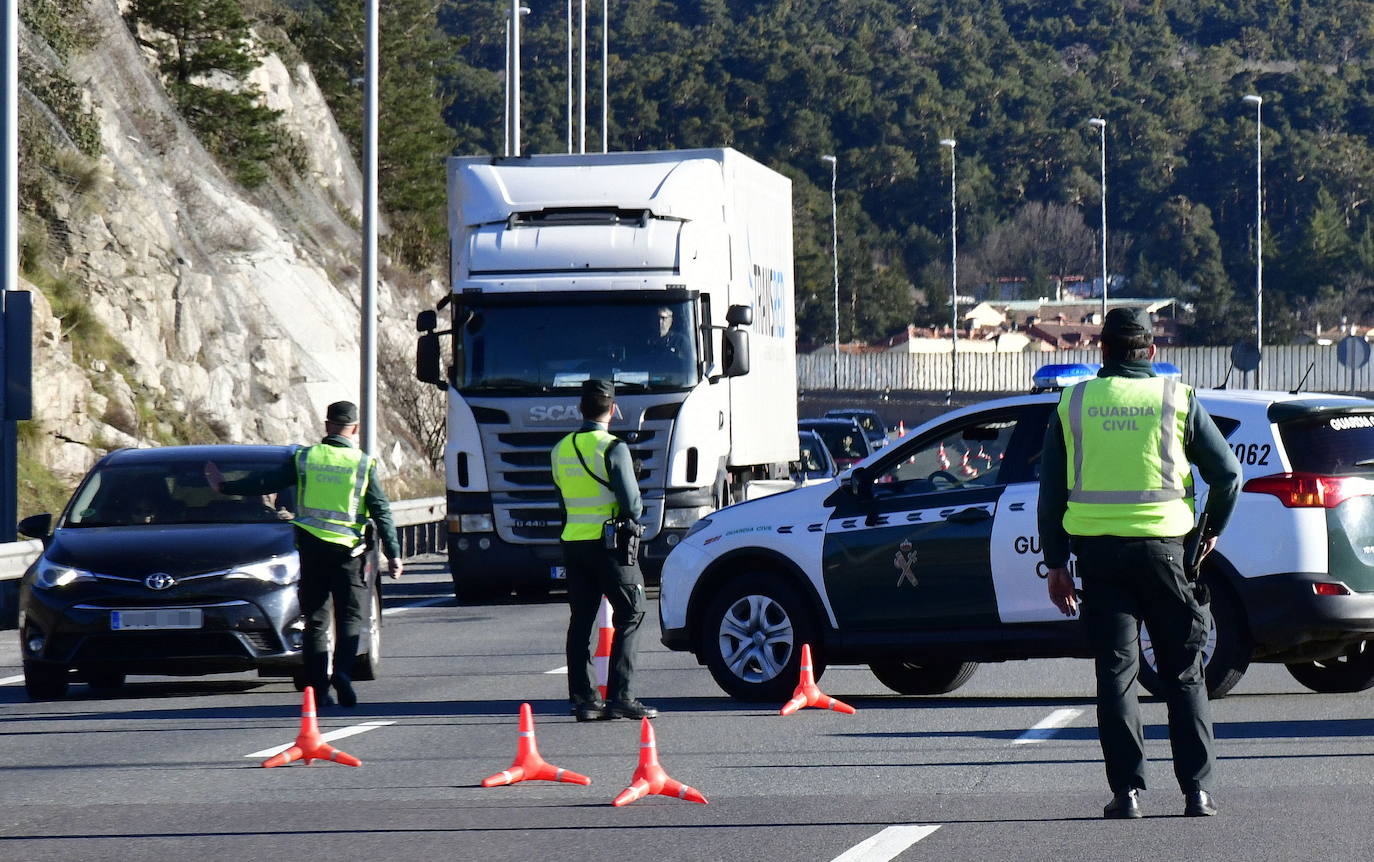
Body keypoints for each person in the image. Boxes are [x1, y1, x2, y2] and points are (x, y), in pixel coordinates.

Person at [1038, 306, 1241, 820]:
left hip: (1101, 558)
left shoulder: (1073, 403)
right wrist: (1208, 531)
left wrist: (1056, 563)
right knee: (1183, 672)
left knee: (1116, 674)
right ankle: (1198, 792)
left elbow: (1051, 495)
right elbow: (1228, 475)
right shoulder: (1176, 398)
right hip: (1167, 555)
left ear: (1100, 351)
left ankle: (1127, 792)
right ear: (1152, 352)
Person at [206, 401, 404, 707]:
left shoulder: (305, 459)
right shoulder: (362, 464)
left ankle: (318, 689)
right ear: (355, 429)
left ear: (327, 426)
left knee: (316, 621)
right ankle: (342, 674)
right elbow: (381, 510)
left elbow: (265, 482)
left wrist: (225, 486)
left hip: (312, 550)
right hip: (348, 553)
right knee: (350, 616)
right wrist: (393, 553)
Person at [551, 378, 656, 722]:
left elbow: (562, 500)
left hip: (573, 542)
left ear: (580, 409)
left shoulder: (560, 449)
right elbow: (633, 505)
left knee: (580, 620)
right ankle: (621, 696)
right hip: (609, 545)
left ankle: (584, 700)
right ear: (613, 410)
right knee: (633, 612)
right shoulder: (614, 448)